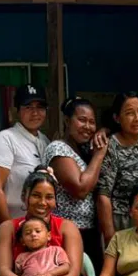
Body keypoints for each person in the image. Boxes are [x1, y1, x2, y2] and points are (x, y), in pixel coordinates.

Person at [43, 96, 108, 260]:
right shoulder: (58, 148)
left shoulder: (83, 149)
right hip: (68, 233)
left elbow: (112, 128)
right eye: (82, 120)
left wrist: (103, 131)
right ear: (67, 121)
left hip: (89, 232)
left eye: (92, 122)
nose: (88, 127)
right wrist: (99, 155)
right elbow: (80, 189)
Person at [96, 92, 138, 242]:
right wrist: (110, 237)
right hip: (121, 221)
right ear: (117, 118)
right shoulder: (111, 146)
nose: (137, 118)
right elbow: (103, 195)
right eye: (129, 113)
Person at [0, 84, 50, 224]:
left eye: (40, 107)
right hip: (14, 224)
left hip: (40, 230)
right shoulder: (5, 139)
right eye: (28, 107)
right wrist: (9, 229)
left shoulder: (44, 141)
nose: (35, 113)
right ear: (16, 111)